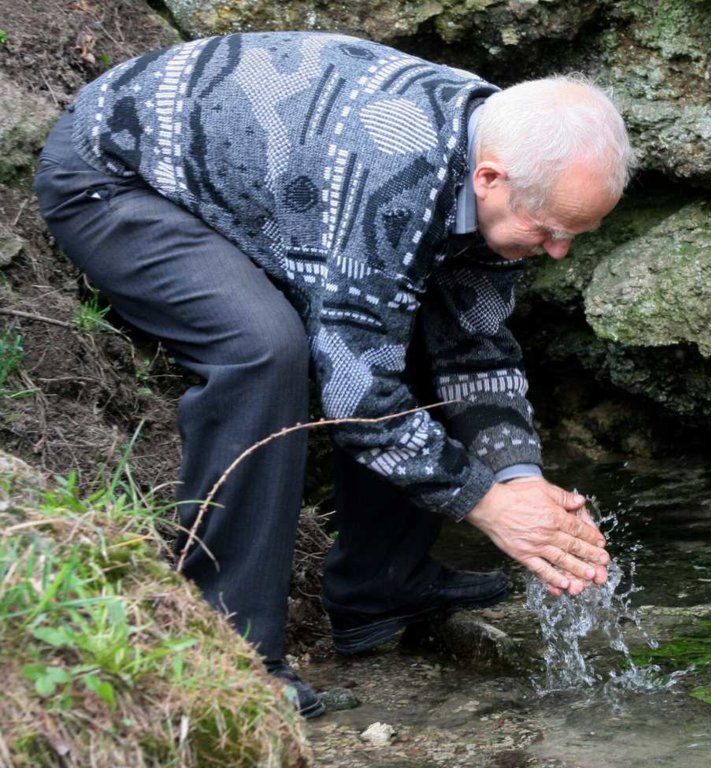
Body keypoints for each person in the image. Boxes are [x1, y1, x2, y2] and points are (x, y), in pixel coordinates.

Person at [34, 31, 633, 718]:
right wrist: (486, 506)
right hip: (114, 179)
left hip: (264, 182)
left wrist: (520, 481)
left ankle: (381, 585)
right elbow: (356, 398)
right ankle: (226, 650)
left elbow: (474, 345)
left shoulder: (508, 159)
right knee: (262, 349)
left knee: (404, 314)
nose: (557, 252)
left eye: (573, 235)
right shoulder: (396, 172)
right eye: (551, 230)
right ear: (489, 179)